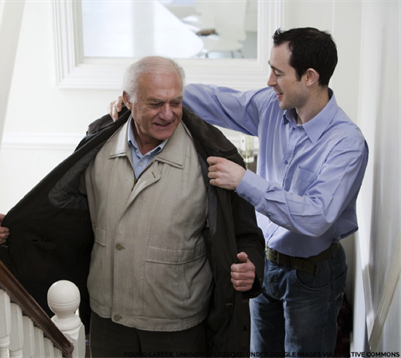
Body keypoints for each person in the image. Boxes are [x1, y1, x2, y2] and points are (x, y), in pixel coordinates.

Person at [109, 27, 369, 355]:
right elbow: (213, 99)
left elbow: (316, 217)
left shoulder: (347, 144)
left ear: (309, 77)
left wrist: (243, 180)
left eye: (277, 72)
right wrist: (143, 98)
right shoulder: (270, 107)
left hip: (313, 277)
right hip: (265, 267)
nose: (269, 81)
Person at [0, 56, 265, 356]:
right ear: (127, 100)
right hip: (109, 320)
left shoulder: (212, 158)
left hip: (178, 326)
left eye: (176, 102)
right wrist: (18, 228)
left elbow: (245, 235)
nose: (168, 114)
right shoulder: (96, 149)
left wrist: (251, 266)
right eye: (155, 103)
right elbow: (64, 217)